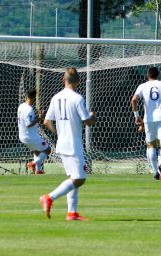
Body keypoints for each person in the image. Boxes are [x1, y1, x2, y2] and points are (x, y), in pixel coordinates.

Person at [39, 68, 97, 221]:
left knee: (73, 177)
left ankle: (72, 213)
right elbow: (87, 122)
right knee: (80, 178)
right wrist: (92, 116)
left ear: (63, 80)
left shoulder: (55, 97)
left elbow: (46, 121)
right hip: (73, 144)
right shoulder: (77, 98)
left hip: (62, 143)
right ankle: (49, 197)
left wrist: (59, 133)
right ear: (78, 81)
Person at [131, 66, 161, 181]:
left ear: (148, 75)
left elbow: (134, 100)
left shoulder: (142, 86)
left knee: (151, 145)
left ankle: (155, 172)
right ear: (158, 75)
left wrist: (137, 116)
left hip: (149, 119)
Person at [18, 88, 51, 174]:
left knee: (37, 151)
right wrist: (40, 118)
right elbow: (28, 124)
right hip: (30, 136)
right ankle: (33, 163)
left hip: (22, 136)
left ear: (26, 96)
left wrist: (37, 118)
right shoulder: (29, 110)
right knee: (48, 149)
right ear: (34, 98)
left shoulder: (21, 106)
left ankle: (38, 170)